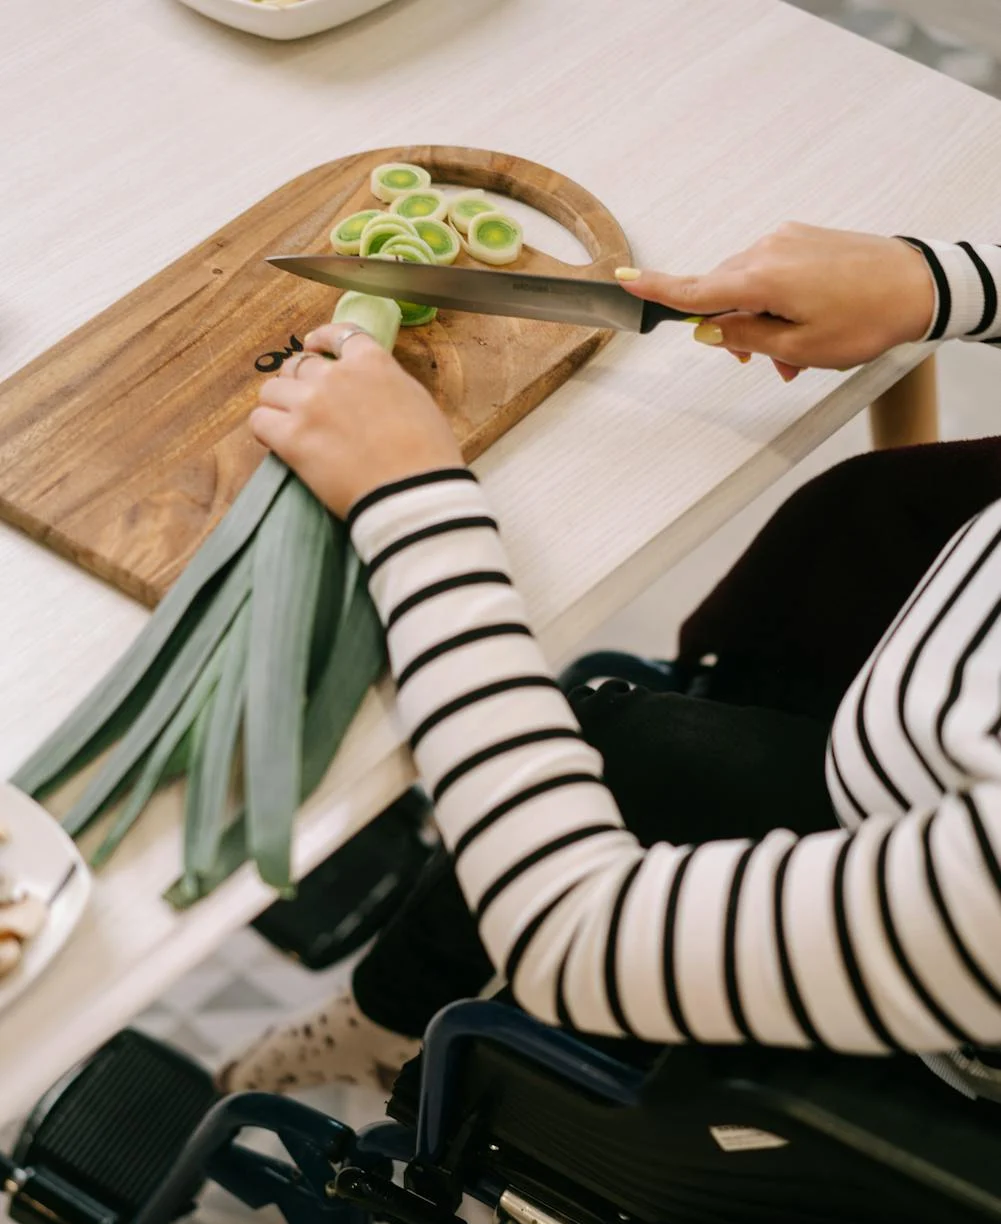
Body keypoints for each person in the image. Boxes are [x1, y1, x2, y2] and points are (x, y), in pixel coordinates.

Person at [220, 224, 1001, 1094]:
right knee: (635, 738)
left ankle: (382, 1030)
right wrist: (937, 283)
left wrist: (406, 501)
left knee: (617, 741)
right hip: (922, 692)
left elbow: (573, 933)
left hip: (904, 973)